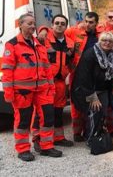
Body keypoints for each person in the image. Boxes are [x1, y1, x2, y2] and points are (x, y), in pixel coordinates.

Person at [1, 13, 62, 161]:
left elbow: (47, 68)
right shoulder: (12, 44)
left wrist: (51, 87)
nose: (33, 26)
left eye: (34, 23)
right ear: (20, 25)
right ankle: (23, 149)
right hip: (22, 91)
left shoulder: (39, 44)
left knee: (48, 117)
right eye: (29, 24)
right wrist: (8, 92)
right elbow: (7, 70)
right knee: (23, 120)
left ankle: (46, 146)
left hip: (43, 90)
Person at [33, 15, 75, 149]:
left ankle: (58, 137)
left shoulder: (70, 43)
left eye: (63, 23)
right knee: (42, 112)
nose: (59, 25)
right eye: (56, 23)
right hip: (46, 82)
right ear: (51, 25)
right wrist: (43, 29)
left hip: (61, 82)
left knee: (58, 111)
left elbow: (71, 61)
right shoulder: (44, 39)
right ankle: (37, 139)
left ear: (66, 26)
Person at [70, 32, 113, 148]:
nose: (107, 43)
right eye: (104, 40)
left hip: (103, 89)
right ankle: (91, 140)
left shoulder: (112, 55)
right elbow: (84, 77)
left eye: (110, 41)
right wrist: (92, 96)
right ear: (99, 41)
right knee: (94, 112)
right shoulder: (90, 54)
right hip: (88, 89)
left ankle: (95, 134)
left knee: (102, 113)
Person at [65, 11, 102, 141]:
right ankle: (76, 133)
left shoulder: (100, 34)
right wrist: (43, 30)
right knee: (76, 103)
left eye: (91, 22)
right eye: (86, 21)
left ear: (96, 23)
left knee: (91, 102)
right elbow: (57, 31)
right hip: (77, 73)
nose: (87, 24)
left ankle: (88, 130)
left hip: (94, 74)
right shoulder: (74, 32)